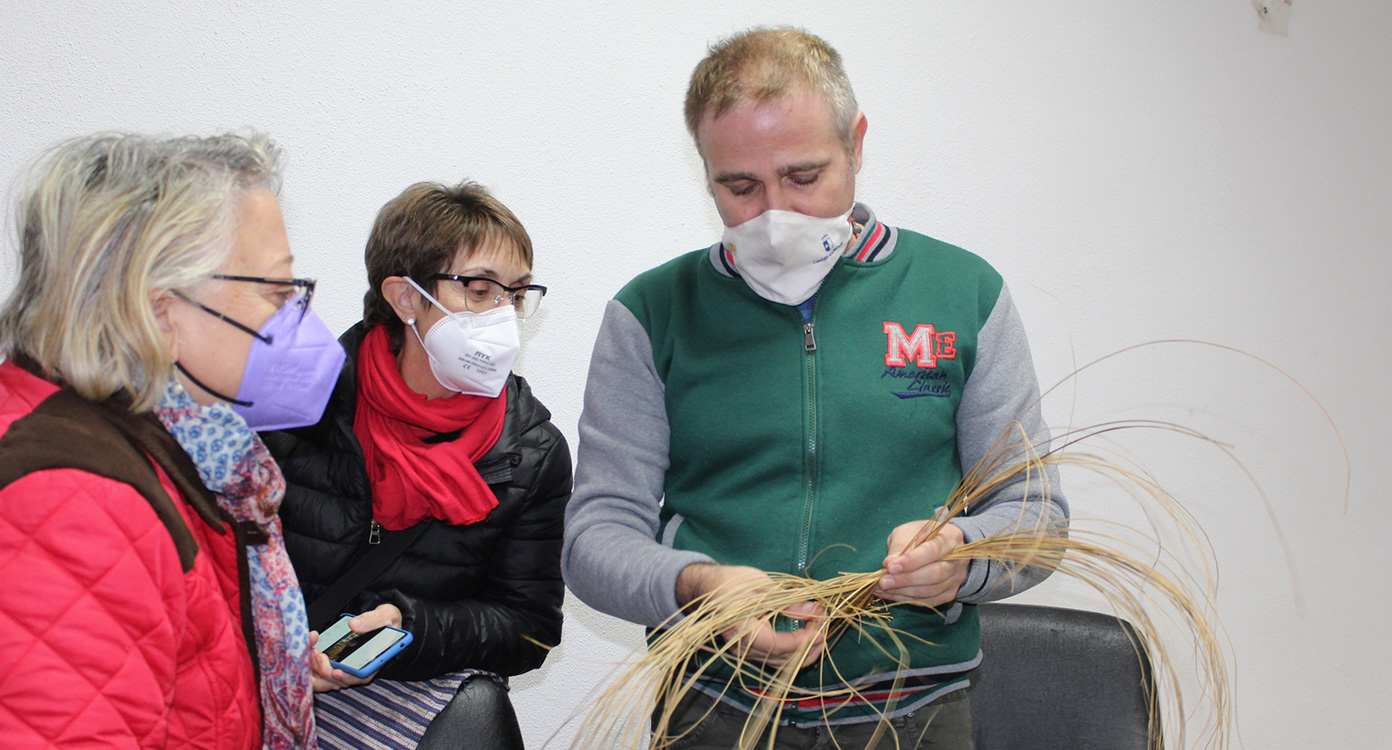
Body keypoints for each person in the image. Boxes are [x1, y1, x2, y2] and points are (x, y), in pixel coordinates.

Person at [562, 27, 1070, 749]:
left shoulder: (963, 294)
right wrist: (699, 586)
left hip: (913, 711)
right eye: (740, 187)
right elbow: (594, 541)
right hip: (713, 708)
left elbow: (1036, 516)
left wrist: (960, 555)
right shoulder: (651, 313)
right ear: (704, 170)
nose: (776, 215)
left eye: (805, 176)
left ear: (856, 143)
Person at [0, 132, 345, 749]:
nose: (296, 317)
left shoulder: (181, 452)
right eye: (276, 291)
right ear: (160, 309)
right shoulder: (71, 498)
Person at [262, 181, 571, 749]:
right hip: (265, 675)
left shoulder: (531, 452)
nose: (503, 314)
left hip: (410, 686)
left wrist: (409, 629)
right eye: (480, 291)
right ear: (406, 298)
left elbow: (528, 630)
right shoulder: (300, 404)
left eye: (517, 295)